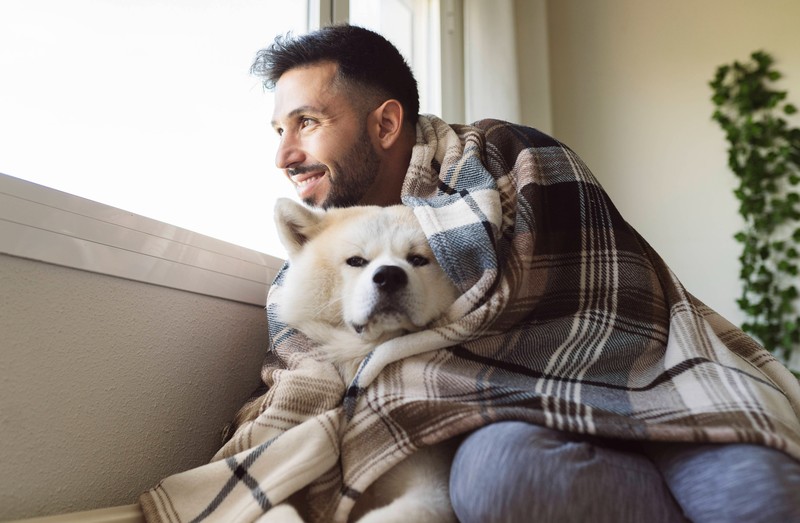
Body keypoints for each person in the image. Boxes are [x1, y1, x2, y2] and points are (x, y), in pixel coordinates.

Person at [255, 24, 800, 523]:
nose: (285, 154)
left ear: (387, 123)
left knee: (754, 492)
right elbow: (308, 370)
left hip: (650, 377)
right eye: (280, 129)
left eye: (307, 122)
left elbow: (600, 296)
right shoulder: (314, 262)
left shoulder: (511, 157)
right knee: (501, 474)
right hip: (503, 422)